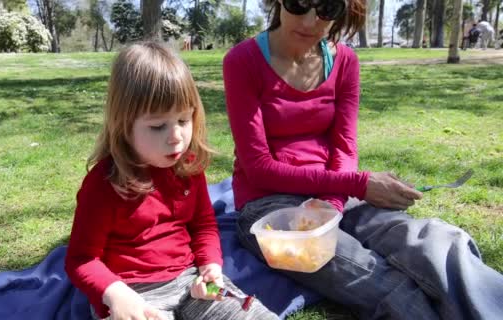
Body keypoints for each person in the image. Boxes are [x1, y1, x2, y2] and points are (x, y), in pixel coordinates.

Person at [222, 0, 503, 319]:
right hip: (269, 204)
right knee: (375, 278)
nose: (312, 20)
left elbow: (344, 146)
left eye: (327, 8)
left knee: (436, 245)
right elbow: (259, 169)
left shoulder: (344, 60)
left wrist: (332, 204)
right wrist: (357, 184)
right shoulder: (242, 60)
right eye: (299, 3)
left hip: (337, 193)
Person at [65, 42, 278, 320]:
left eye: (183, 119)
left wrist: (210, 266)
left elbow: (203, 225)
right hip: (133, 293)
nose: (176, 136)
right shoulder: (103, 184)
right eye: (157, 126)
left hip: (190, 280)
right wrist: (115, 293)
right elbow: (82, 259)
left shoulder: (187, 166)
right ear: (123, 125)